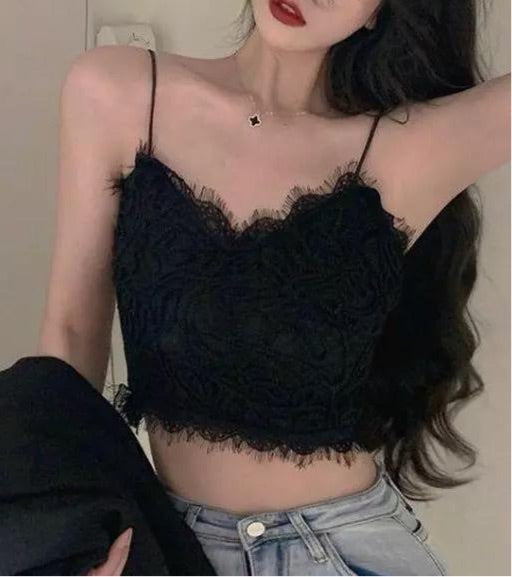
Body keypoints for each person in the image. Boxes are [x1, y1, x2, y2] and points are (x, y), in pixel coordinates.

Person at [38, 0, 510, 574]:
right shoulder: (119, 91)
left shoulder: (408, 149)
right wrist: (67, 538)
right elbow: (71, 334)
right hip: (165, 546)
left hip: (339, 553)